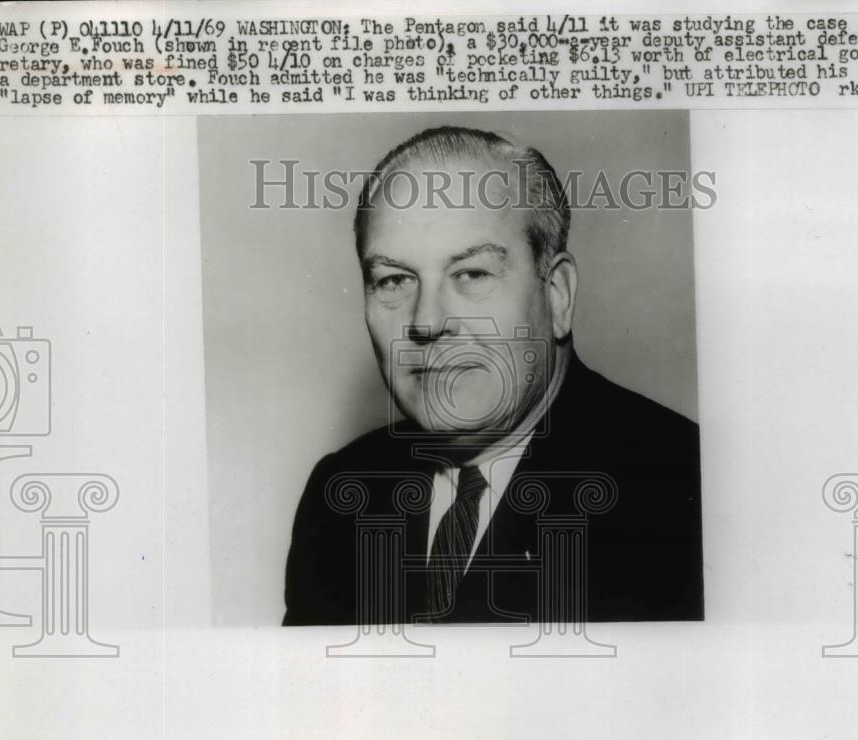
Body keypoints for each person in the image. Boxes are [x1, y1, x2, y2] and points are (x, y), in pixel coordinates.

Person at [283, 126, 702, 625]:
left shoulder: (684, 492)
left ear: (558, 294)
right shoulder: (342, 499)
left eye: (473, 274)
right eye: (394, 280)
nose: (426, 322)